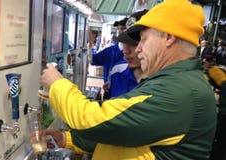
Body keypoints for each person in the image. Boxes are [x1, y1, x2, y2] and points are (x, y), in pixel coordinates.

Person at [40, 0, 217, 159]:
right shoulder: (176, 84)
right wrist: (67, 139)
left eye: (143, 40)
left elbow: (90, 119)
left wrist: (57, 83)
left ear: (169, 37)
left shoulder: (179, 92)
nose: (138, 49)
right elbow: (123, 135)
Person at [106, 10, 147, 98]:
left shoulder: (164, 82)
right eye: (124, 42)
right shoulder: (117, 71)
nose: (126, 51)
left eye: (134, 44)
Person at [90, 17, 128, 99]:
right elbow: (93, 59)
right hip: (109, 94)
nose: (120, 31)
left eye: (123, 28)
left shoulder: (136, 54)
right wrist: (90, 45)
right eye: (118, 29)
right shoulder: (110, 50)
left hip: (125, 98)